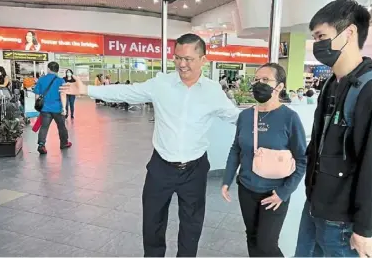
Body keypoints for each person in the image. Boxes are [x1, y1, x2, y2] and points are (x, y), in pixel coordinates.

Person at [60, 33, 240, 257]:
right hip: (161, 166)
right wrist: (88, 90)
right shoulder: (161, 84)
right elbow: (127, 92)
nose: (182, 64)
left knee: (191, 225)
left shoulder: (213, 91)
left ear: (204, 59)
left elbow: (235, 117)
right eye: (177, 58)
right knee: (152, 223)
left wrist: (266, 118)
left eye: (189, 59)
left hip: (195, 169)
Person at [295, 0, 372, 257]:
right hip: (315, 209)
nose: (317, 44)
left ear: (349, 33)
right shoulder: (332, 84)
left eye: (322, 36)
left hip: (344, 224)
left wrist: (364, 230)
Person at [222, 63, 306, 257]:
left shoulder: (290, 118)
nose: (259, 84)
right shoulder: (245, 116)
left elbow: (302, 160)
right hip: (247, 188)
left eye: (266, 80)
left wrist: (283, 193)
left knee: (267, 244)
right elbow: (236, 148)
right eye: (257, 79)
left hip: (274, 193)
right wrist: (226, 180)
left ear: (280, 86)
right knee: (251, 238)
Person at [34, 62, 72, 154]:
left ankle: (41, 145)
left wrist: (39, 106)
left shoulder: (41, 79)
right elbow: (63, 95)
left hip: (45, 108)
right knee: (61, 126)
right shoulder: (60, 81)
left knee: (44, 127)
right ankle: (64, 143)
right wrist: (64, 108)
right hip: (57, 108)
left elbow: (37, 95)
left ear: (49, 69)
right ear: (58, 70)